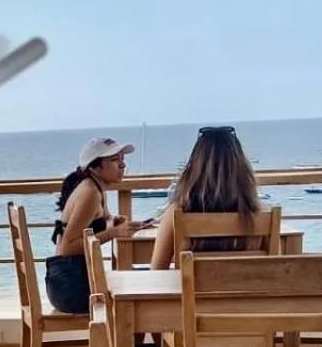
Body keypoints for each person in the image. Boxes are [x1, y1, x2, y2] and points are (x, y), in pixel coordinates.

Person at [45, 136, 142, 315]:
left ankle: (129, 344)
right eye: (114, 160)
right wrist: (114, 232)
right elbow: (67, 247)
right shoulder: (89, 193)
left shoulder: (96, 188)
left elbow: (97, 223)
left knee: (133, 292)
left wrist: (114, 222)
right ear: (94, 167)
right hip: (70, 287)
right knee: (133, 299)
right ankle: (128, 344)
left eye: (122, 159)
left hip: (70, 279)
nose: (122, 165)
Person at [150, 125, 263, 269]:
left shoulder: (176, 214)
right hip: (247, 291)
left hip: (191, 292)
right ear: (241, 167)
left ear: (195, 167)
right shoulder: (261, 215)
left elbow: (157, 271)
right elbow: (276, 272)